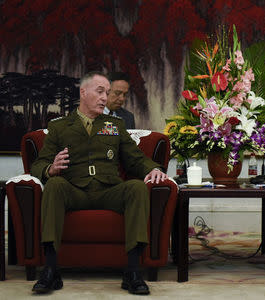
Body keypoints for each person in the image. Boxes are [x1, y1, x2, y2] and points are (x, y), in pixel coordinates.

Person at [30, 71, 167, 295]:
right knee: (54, 185)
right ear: (83, 93)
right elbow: (38, 164)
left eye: (107, 92)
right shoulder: (59, 127)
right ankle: (51, 270)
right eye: (100, 91)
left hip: (108, 190)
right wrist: (50, 168)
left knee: (136, 187)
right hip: (74, 190)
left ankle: (132, 271)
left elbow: (135, 158)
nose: (105, 97)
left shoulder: (115, 125)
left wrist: (153, 168)